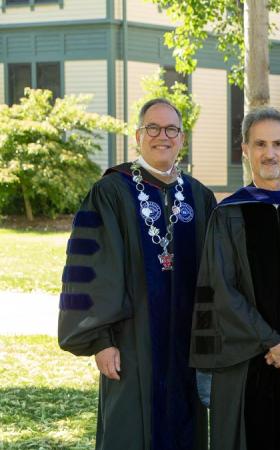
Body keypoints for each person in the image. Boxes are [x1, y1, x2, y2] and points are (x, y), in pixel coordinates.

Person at [58, 98, 216, 449]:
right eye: (153, 128)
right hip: (130, 346)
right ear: (138, 135)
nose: (163, 136)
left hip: (187, 349)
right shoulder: (111, 192)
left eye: (171, 129)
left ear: (182, 138)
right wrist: (101, 342)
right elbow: (89, 270)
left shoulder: (199, 197)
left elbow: (217, 276)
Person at [189, 107, 280, 450]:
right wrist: (272, 342)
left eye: (278, 143)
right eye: (260, 144)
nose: (270, 153)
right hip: (244, 365)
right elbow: (220, 289)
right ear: (245, 149)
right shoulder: (228, 214)